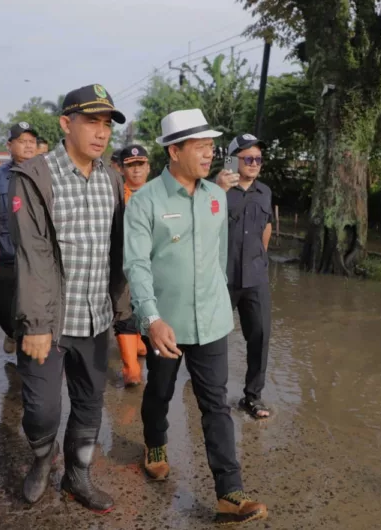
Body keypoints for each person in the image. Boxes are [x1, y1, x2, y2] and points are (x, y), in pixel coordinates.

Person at [124, 109, 268, 525]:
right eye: (200, 146)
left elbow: (219, 259)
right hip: (165, 326)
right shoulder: (147, 201)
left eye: (211, 146)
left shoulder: (215, 197)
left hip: (211, 322)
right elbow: (137, 266)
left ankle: (229, 492)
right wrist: (151, 319)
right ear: (174, 150)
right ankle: (154, 443)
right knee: (160, 392)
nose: (210, 153)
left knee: (216, 405)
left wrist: (220, 303)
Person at [8, 84, 130, 512]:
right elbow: (33, 254)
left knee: (89, 404)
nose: (101, 133)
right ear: (66, 123)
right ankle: (43, 459)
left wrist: (124, 310)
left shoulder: (112, 179)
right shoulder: (35, 175)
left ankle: (78, 475)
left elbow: (118, 251)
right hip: (51, 321)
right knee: (41, 409)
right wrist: (38, 324)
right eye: (91, 121)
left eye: (107, 124)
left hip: (94, 318)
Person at [215, 134, 273, 419]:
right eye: (248, 158)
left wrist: (260, 258)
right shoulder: (218, 191)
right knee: (215, 337)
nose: (254, 164)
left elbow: (267, 227)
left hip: (255, 277)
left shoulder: (265, 192)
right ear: (233, 160)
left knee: (260, 335)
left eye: (258, 159)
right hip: (222, 276)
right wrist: (217, 189)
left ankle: (253, 397)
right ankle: (212, 392)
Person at [0, 122, 38, 354]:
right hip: (6, 250)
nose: (28, 146)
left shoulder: (46, 173)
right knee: (1, 303)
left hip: (37, 254)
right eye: (22, 141)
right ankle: (11, 332)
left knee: (35, 306)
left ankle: (29, 349)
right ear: (9, 145)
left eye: (31, 142)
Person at [113, 144, 150, 387]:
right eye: (130, 165)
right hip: (121, 264)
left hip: (153, 266)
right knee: (124, 313)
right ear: (121, 168)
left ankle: (139, 344)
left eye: (140, 165)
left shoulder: (161, 194)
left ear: (148, 167)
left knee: (147, 312)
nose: (136, 170)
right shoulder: (113, 194)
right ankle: (130, 369)